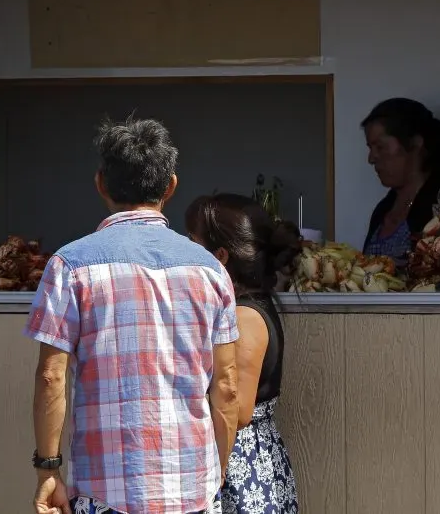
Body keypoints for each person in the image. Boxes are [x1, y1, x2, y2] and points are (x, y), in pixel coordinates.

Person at [25, 116, 240, 514]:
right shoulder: (212, 270)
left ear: (101, 184)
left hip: (104, 491)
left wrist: (48, 470)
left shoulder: (70, 266)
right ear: (170, 186)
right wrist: (216, 470)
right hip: (193, 489)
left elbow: (51, 376)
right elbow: (225, 386)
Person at [186, 194, 301, 514]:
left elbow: (238, 408)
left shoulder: (244, 317)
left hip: (241, 469)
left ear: (220, 256)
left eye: (193, 243)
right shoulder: (243, 308)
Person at [361, 98, 440, 267]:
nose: (371, 158)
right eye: (370, 148)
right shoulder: (382, 211)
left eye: (380, 147)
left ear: (416, 142)